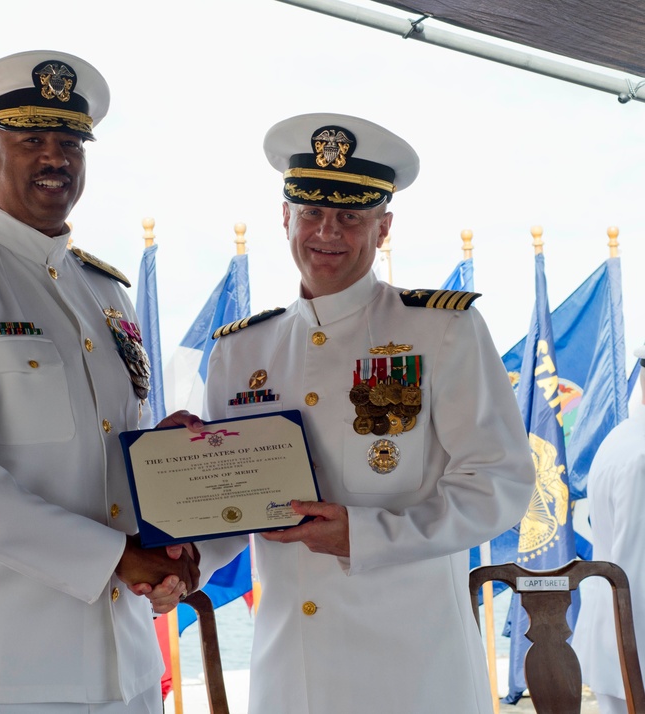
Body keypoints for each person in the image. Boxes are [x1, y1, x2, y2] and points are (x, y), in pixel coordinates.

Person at [150, 113, 537, 713]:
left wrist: (364, 535)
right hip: (290, 669)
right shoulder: (240, 349)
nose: (327, 232)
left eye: (350, 217)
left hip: (411, 666)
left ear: (382, 228)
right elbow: (237, 504)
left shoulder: (442, 329)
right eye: (311, 212)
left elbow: (499, 485)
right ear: (285, 218)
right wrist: (185, 553)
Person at [0, 50, 202, 714]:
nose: (55, 157)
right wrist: (119, 558)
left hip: (124, 662)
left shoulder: (106, 290)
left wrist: (163, 465)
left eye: (70, 141)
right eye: (30, 139)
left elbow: (105, 452)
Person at [572, 344, 645, 714]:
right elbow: (637, 571)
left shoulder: (623, 436)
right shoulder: (642, 455)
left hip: (615, 642)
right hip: (635, 650)